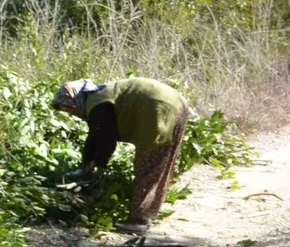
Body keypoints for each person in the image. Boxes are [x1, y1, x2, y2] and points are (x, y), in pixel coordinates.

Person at [51, 76, 191, 238]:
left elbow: (107, 139)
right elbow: (94, 136)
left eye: (68, 108)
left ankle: (139, 221)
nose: (70, 114)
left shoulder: (97, 104)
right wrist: (86, 166)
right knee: (161, 163)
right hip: (176, 102)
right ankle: (146, 215)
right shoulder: (97, 98)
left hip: (158, 107)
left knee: (149, 165)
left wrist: (95, 164)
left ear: (75, 99)